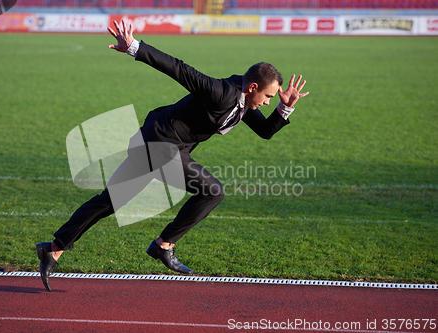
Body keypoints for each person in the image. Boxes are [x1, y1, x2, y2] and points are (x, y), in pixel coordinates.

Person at [36, 19, 309, 292]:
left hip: (157, 144)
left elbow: (264, 131)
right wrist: (134, 47)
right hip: (161, 144)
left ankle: (53, 249)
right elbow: (179, 69)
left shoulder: (244, 104)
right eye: (269, 96)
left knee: (109, 202)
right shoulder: (220, 92)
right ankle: (163, 245)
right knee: (212, 191)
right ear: (252, 88)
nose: (268, 101)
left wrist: (284, 110)